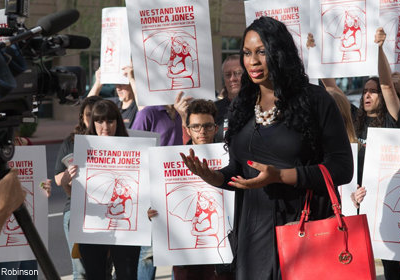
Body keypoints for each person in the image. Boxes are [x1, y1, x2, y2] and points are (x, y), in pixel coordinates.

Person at [180, 16, 353, 280]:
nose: (253, 61)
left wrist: (281, 175)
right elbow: (241, 171)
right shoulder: (241, 106)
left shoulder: (315, 100)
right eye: (247, 53)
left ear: (279, 52)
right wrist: (214, 177)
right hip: (253, 238)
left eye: (262, 52)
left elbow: (342, 169)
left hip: (303, 231)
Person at [149, 99, 234, 280]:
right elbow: (161, 201)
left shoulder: (230, 157)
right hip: (185, 255)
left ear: (216, 128)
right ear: (187, 129)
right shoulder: (170, 160)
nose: (202, 131)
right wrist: (153, 212)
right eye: (195, 127)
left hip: (222, 253)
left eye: (207, 126)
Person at [74, 99, 140, 280]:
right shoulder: (82, 150)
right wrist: (68, 178)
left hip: (126, 228)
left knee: (127, 275)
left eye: (110, 121)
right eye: (99, 121)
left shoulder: (135, 149)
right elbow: (68, 191)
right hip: (92, 228)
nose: (105, 126)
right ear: (92, 123)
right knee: (95, 275)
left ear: (117, 122)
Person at [54, 96, 102, 280]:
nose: (92, 120)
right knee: (81, 270)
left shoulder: (114, 142)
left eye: (97, 116)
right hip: (76, 211)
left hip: (106, 213)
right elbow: (57, 178)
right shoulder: (71, 142)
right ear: (82, 116)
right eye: (89, 115)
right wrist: (66, 177)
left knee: (104, 269)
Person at [215, 54, 243, 142]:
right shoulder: (214, 109)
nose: (232, 79)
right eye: (228, 75)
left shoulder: (259, 105)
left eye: (238, 73)